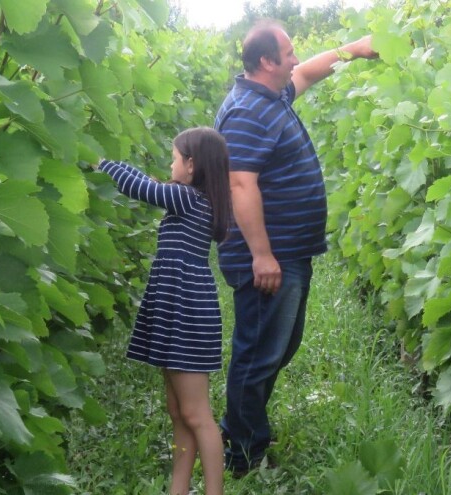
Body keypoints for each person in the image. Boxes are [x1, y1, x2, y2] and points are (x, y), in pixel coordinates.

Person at [214, 20, 377, 476]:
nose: (294, 58)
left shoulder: (271, 93)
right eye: (287, 51)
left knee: (276, 348)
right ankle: (244, 453)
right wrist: (262, 255)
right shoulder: (246, 111)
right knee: (258, 352)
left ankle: (242, 430)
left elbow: (306, 73)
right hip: (270, 257)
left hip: (289, 252)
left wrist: (356, 49)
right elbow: (240, 184)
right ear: (265, 61)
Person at [95, 127, 232, 495]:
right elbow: (151, 182)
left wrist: (103, 163)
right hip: (178, 310)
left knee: (197, 414)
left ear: (191, 165)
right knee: (179, 411)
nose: (169, 164)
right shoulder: (194, 199)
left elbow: (142, 188)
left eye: (173, 157)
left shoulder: (188, 198)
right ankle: (178, 489)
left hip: (186, 312)